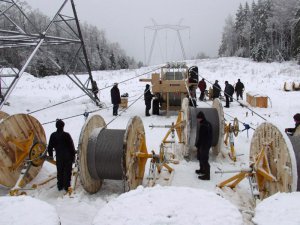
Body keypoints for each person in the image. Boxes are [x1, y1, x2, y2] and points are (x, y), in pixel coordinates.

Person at [47, 119, 76, 191]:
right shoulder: (66, 135)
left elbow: (50, 147)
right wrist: (73, 156)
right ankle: (67, 186)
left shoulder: (53, 135)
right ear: (63, 126)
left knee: (60, 171)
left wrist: (51, 156)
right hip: (67, 156)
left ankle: (60, 185)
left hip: (59, 156)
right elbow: (71, 147)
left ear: (56, 126)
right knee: (67, 171)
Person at [195, 111, 213, 180]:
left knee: (204, 159)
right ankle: (202, 170)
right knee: (200, 157)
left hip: (205, 145)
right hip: (204, 144)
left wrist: (198, 144)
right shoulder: (206, 123)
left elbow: (202, 137)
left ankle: (207, 176)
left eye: (198, 118)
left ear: (201, 118)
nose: (197, 120)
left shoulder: (204, 126)